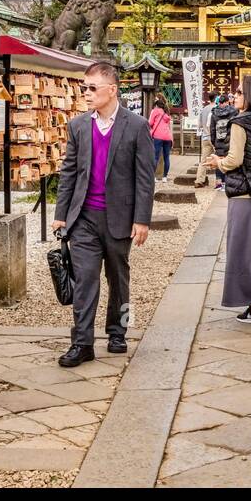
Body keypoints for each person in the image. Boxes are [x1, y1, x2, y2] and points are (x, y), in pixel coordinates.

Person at [51, 60, 155, 367]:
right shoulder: (79, 126)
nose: (86, 93)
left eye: (92, 88)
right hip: (84, 216)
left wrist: (142, 219)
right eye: (85, 87)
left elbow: (144, 177)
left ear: (112, 90)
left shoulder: (136, 126)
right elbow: (69, 172)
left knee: (119, 279)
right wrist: (61, 214)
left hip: (120, 218)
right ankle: (82, 342)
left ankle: (119, 330)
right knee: (84, 280)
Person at [204, 76, 251, 324]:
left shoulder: (240, 123)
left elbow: (234, 160)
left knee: (242, 249)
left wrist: (218, 162)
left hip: (244, 192)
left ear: (250, 96)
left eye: (239, 92)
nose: (234, 96)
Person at [148, 96, 173, 183]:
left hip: (158, 136)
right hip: (168, 137)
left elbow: (150, 123)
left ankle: (154, 177)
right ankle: (165, 177)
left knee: (155, 157)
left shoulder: (155, 111)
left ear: (156, 105)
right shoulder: (166, 113)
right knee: (167, 157)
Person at [195, 92, 215, 188]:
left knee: (203, 160)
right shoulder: (217, 109)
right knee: (221, 158)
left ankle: (199, 180)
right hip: (215, 138)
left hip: (205, 137)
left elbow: (199, 124)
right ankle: (221, 182)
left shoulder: (204, 109)